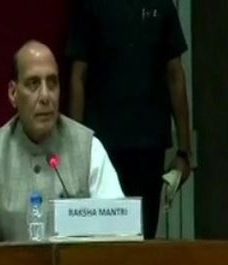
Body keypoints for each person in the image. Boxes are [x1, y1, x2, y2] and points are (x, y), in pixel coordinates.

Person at [0, 40, 123, 245]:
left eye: (52, 83)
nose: (46, 96)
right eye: (33, 84)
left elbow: (119, 231)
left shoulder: (89, 148)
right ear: (13, 93)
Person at [67, 0, 192, 239]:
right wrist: (76, 150)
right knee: (103, 240)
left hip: (149, 145)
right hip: (102, 148)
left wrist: (185, 152)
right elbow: (78, 76)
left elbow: (175, 74)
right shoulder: (89, 5)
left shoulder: (161, 4)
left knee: (143, 237)